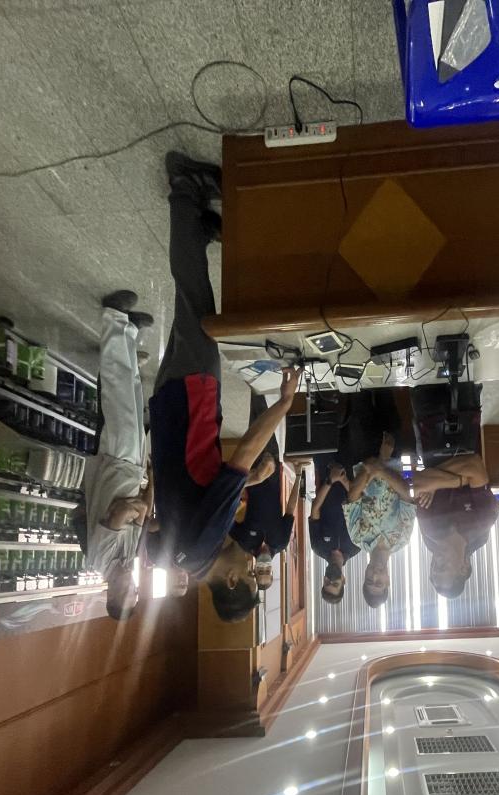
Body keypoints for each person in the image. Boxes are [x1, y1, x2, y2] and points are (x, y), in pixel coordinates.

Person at [147, 150, 301, 622]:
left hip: (190, 402)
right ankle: (197, 231)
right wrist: (244, 483)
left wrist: (283, 404)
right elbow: (190, 495)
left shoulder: (208, 542)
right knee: (190, 307)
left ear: (231, 581)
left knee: (195, 300)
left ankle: (184, 190)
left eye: (249, 574)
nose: (254, 564)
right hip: (170, 409)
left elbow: (244, 454)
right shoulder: (185, 558)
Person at [80, 289, 154, 620]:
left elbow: (128, 511)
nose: (132, 586)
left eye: (127, 592)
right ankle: (130, 332)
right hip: (132, 467)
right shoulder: (128, 559)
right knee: (134, 396)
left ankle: (114, 317)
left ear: (111, 593)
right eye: (135, 592)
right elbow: (140, 512)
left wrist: (135, 509)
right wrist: (138, 505)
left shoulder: (100, 560)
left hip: (115, 462)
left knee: (117, 390)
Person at [366, 453, 498, 599]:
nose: (436, 561)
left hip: (429, 451)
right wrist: (436, 483)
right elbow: (474, 465)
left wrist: (461, 480)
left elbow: (417, 482)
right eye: (442, 567)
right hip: (464, 447)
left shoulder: (430, 530)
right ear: (464, 568)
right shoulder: (483, 521)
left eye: (433, 566)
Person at [343, 433, 415, 608]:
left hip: (362, 457)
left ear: (365, 574)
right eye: (379, 582)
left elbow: (353, 494)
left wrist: (375, 464)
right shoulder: (403, 538)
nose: (375, 575)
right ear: (388, 580)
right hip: (395, 457)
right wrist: (382, 466)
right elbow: (407, 494)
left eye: (369, 580)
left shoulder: (357, 537)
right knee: (396, 420)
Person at [230, 455, 311, 591]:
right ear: (272, 571)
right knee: (271, 444)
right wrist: (298, 476)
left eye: (261, 571)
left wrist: (240, 498)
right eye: (267, 571)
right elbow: (290, 509)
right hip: (273, 476)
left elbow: (227, 520)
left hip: (251, 473)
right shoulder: (281, 542)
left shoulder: (245, 543)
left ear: (254, 570)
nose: (264, 567)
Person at [309, 456, 360, 604]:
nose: (331, 579)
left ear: (323, 580)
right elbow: (359, 505)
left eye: (327, 583)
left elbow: (315, 509)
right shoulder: (356, 546)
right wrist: (343, 479)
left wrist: (331, 480)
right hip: (351, 472)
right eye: (335, 583)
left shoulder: (317, 547)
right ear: (344, 580)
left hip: (326, 471)